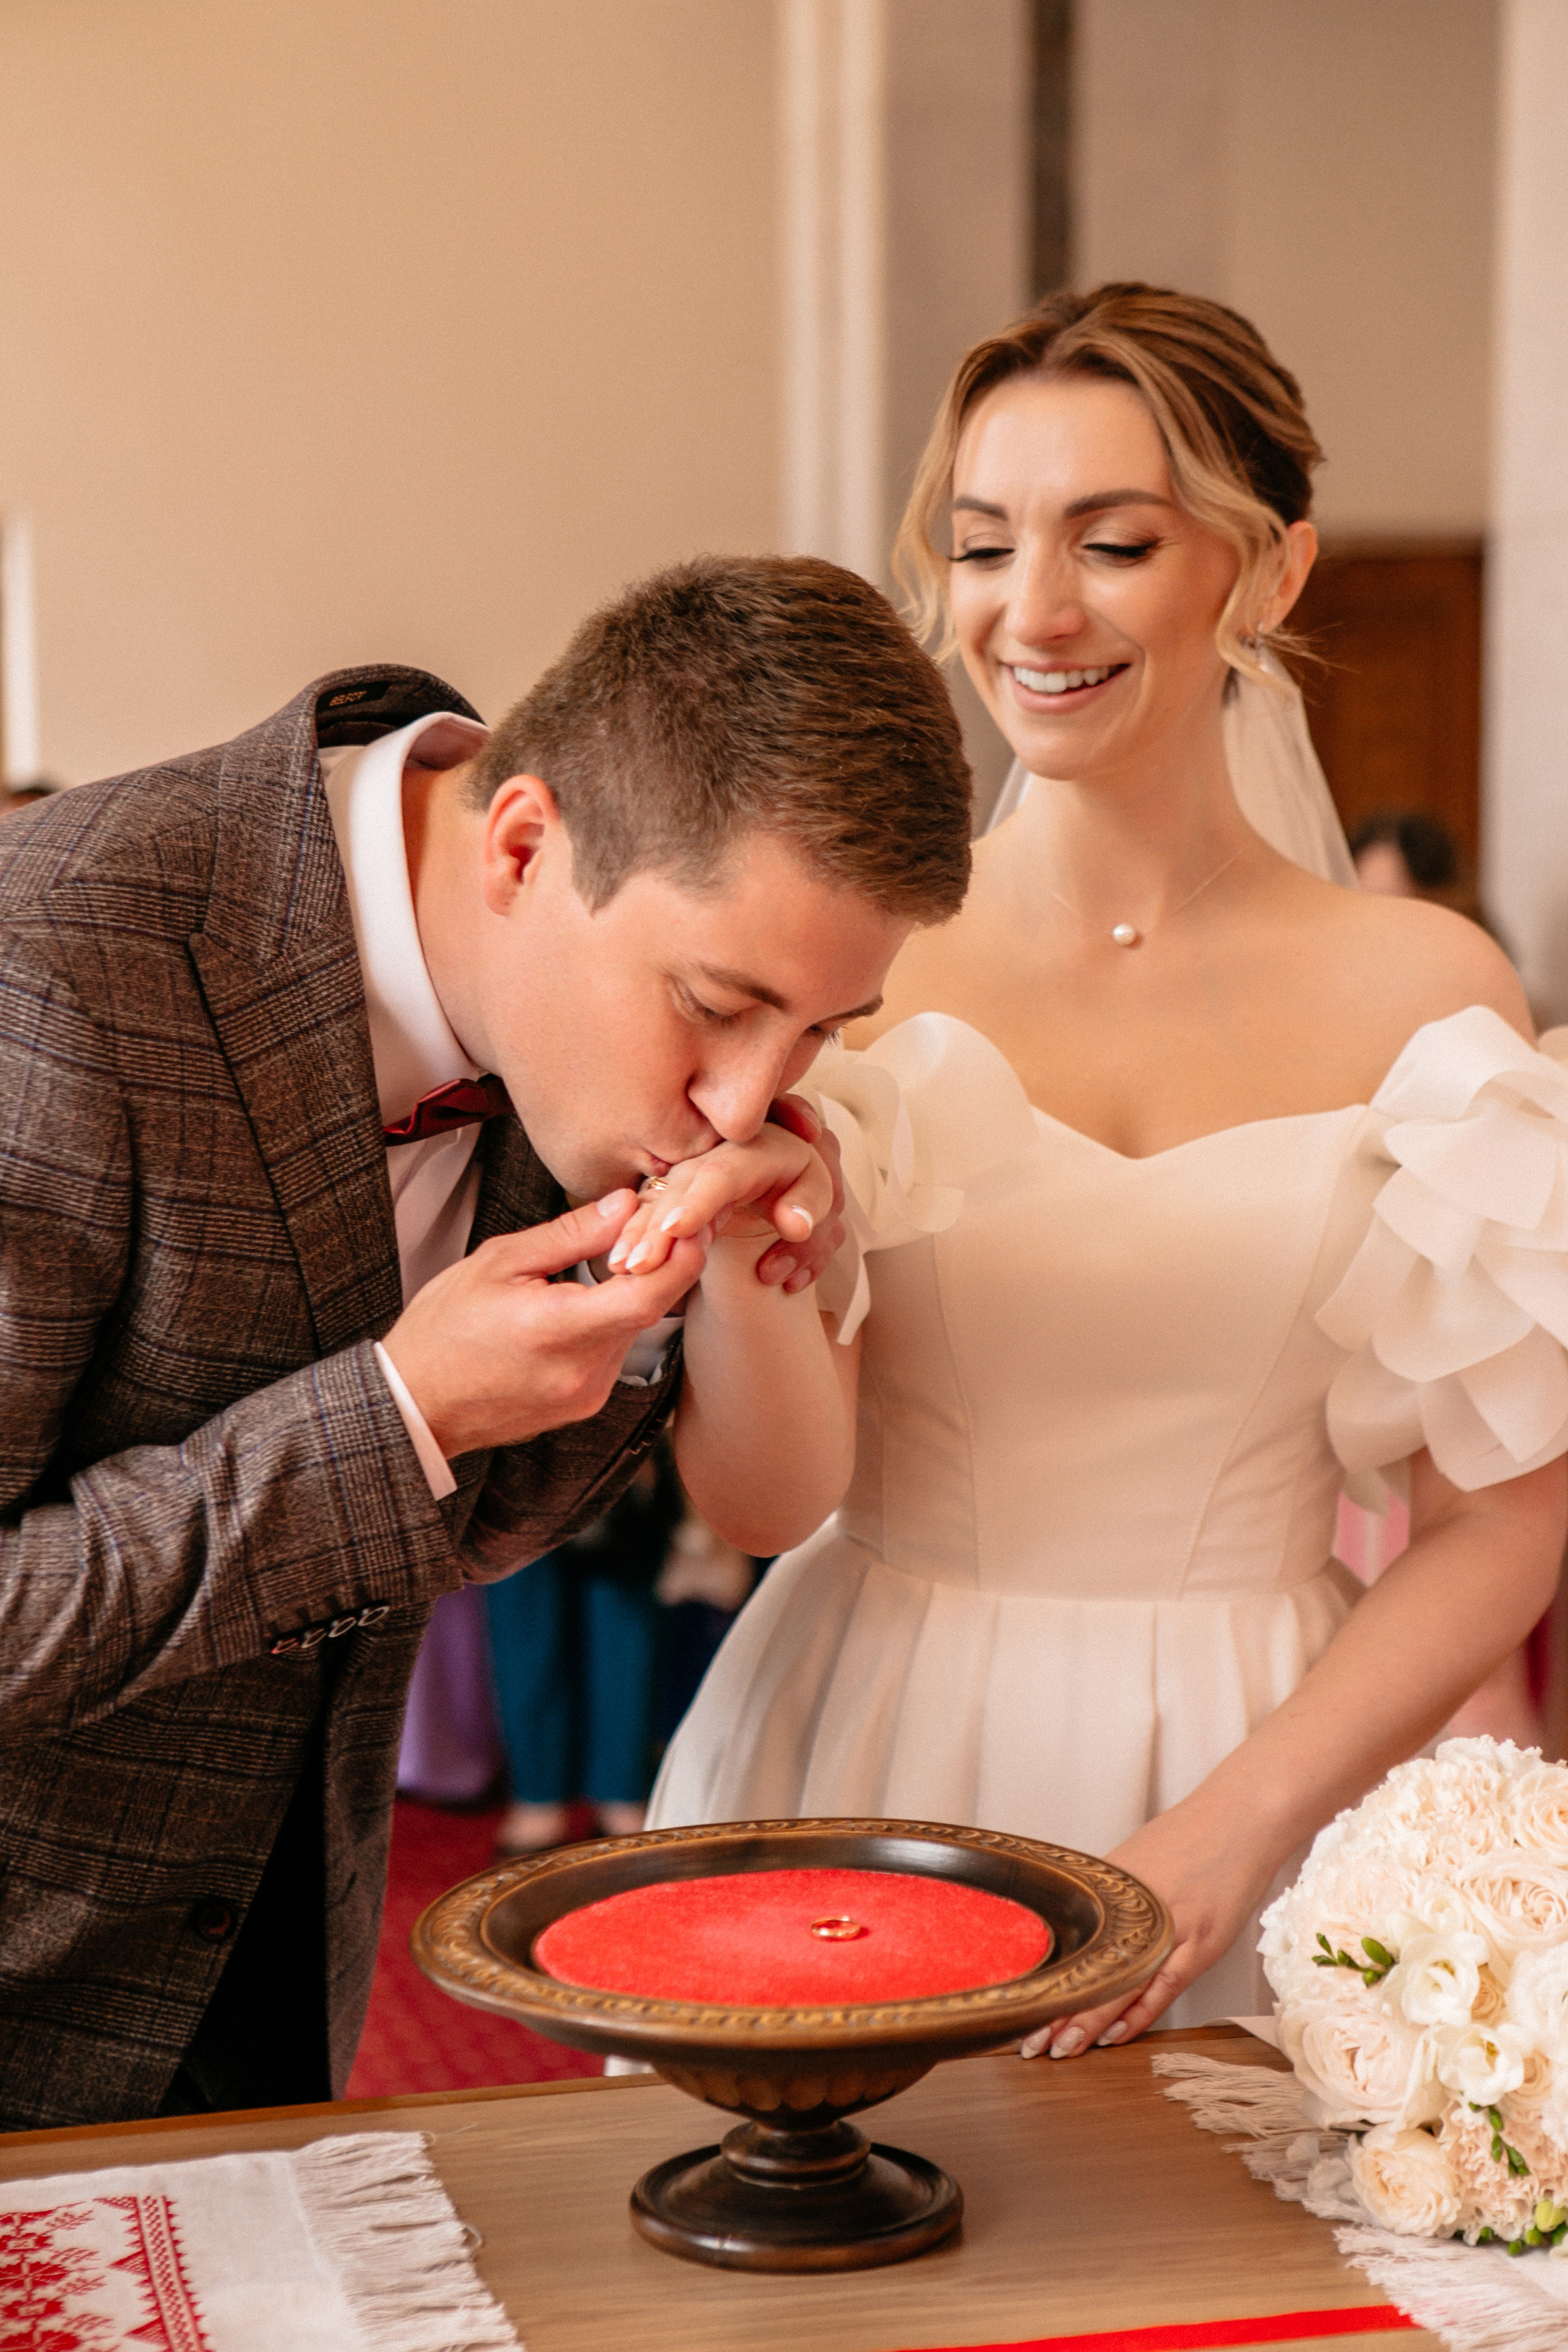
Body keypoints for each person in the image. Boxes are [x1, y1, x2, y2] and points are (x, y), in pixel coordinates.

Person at [637, 286, 1568, 2052]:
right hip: (875, 1732)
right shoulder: (865, 962)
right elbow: (760, 1506)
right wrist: (733, 1254)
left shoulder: (1428, 995)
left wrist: (1226, 1835)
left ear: (1269, 573)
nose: (1031, 610)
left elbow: (1494, 1526)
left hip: (1269, 1757)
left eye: (1113, 541)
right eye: (983, 545)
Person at [0, 552, 971, 2129]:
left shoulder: (577, 1037)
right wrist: (389, 1416)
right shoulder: (49, 967)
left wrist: (727, 1265)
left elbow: (600, 1509)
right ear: (525, 841)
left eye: (812, 1033)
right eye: (719, 1004)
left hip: (281, 1983)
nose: (749, 1097)